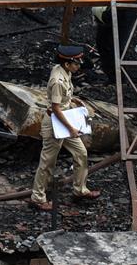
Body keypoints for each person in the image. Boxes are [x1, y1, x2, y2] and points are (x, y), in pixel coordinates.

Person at [30, 45, 100, 211]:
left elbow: (62, 100)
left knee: (81, 153)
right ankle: (37, 198)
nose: (79, 66)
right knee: (48, 161)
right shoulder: (58, 81)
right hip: (56, 124)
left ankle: (80, 189)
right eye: (76, 63)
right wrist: (71, 129)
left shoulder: (65, 71)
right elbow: (55, 108)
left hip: (65, 120)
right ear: (67, 64)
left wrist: (74, 101)